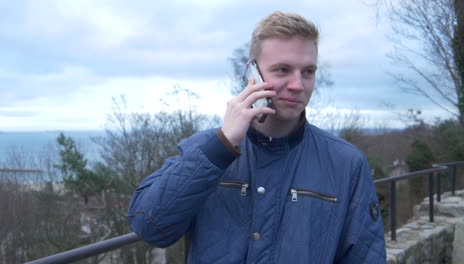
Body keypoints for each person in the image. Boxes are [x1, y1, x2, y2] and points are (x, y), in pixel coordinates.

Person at [127, 11, 387, 263]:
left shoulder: (346, 163)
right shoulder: (206, 150)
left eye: (308, 71)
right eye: (283, 70)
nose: (298, 84)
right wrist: (222, 144)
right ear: (252, 72)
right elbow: (149, 226)